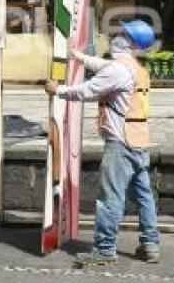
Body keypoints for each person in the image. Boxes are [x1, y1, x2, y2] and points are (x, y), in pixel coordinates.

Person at [44, 20, 160, 267]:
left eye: (123, 33)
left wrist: (59, 90)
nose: (117, 36)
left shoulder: (119, 70)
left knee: (111, 198)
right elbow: (105, 67)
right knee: (144, 197)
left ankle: (105, 249)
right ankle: (150, 245)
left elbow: (88, 90)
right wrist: (79, 57)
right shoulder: (134, 68)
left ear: (129, 41)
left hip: (120, 144)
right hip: (140, 141)